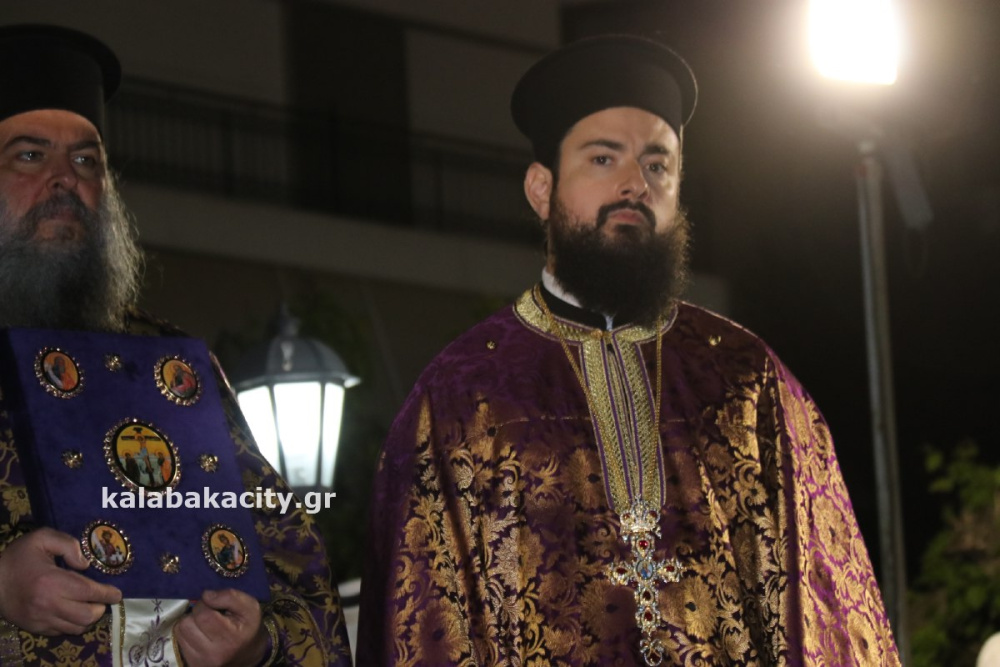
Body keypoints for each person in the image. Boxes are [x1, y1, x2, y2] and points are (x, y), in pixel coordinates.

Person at [358, 35, 900, 665]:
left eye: (657, 165)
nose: (635, 184)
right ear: (541, 188)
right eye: (602, 159)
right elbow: (425, 629)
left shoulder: (747, 377)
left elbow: (829, 619)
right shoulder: (462, 395)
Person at [0, 25, 352, 665]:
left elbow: (298, 576)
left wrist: (254, 644)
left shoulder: (168, 366)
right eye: (29, 156)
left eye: (86, 160)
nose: (64, 180)